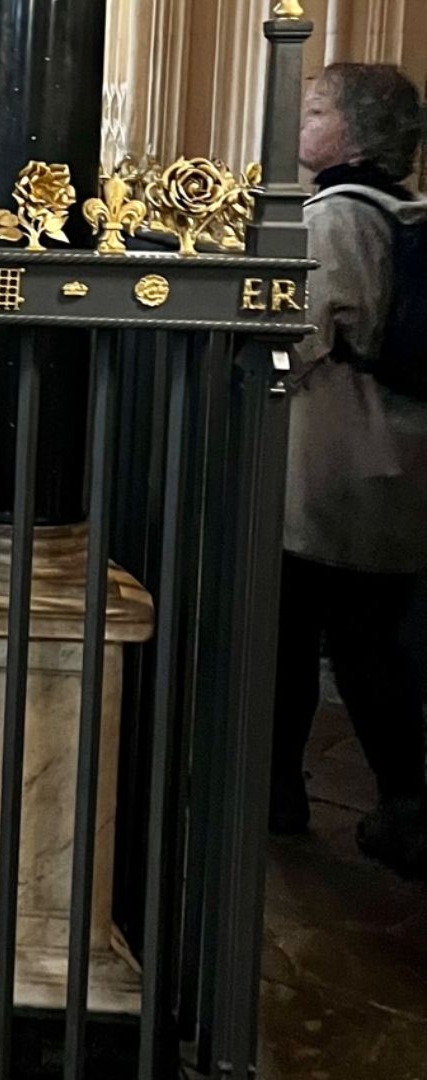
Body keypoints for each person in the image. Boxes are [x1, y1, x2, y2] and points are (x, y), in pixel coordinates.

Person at [272, 62, 427, 881]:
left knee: (294, 634)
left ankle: (277, 794)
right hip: (400, 456)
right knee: (375, 643)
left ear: (357, 132)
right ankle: (405, 802)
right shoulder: (407, 209)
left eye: (319, 109)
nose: (304, 122)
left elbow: (298, 337)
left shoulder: (335, 215)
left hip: (334, 459)